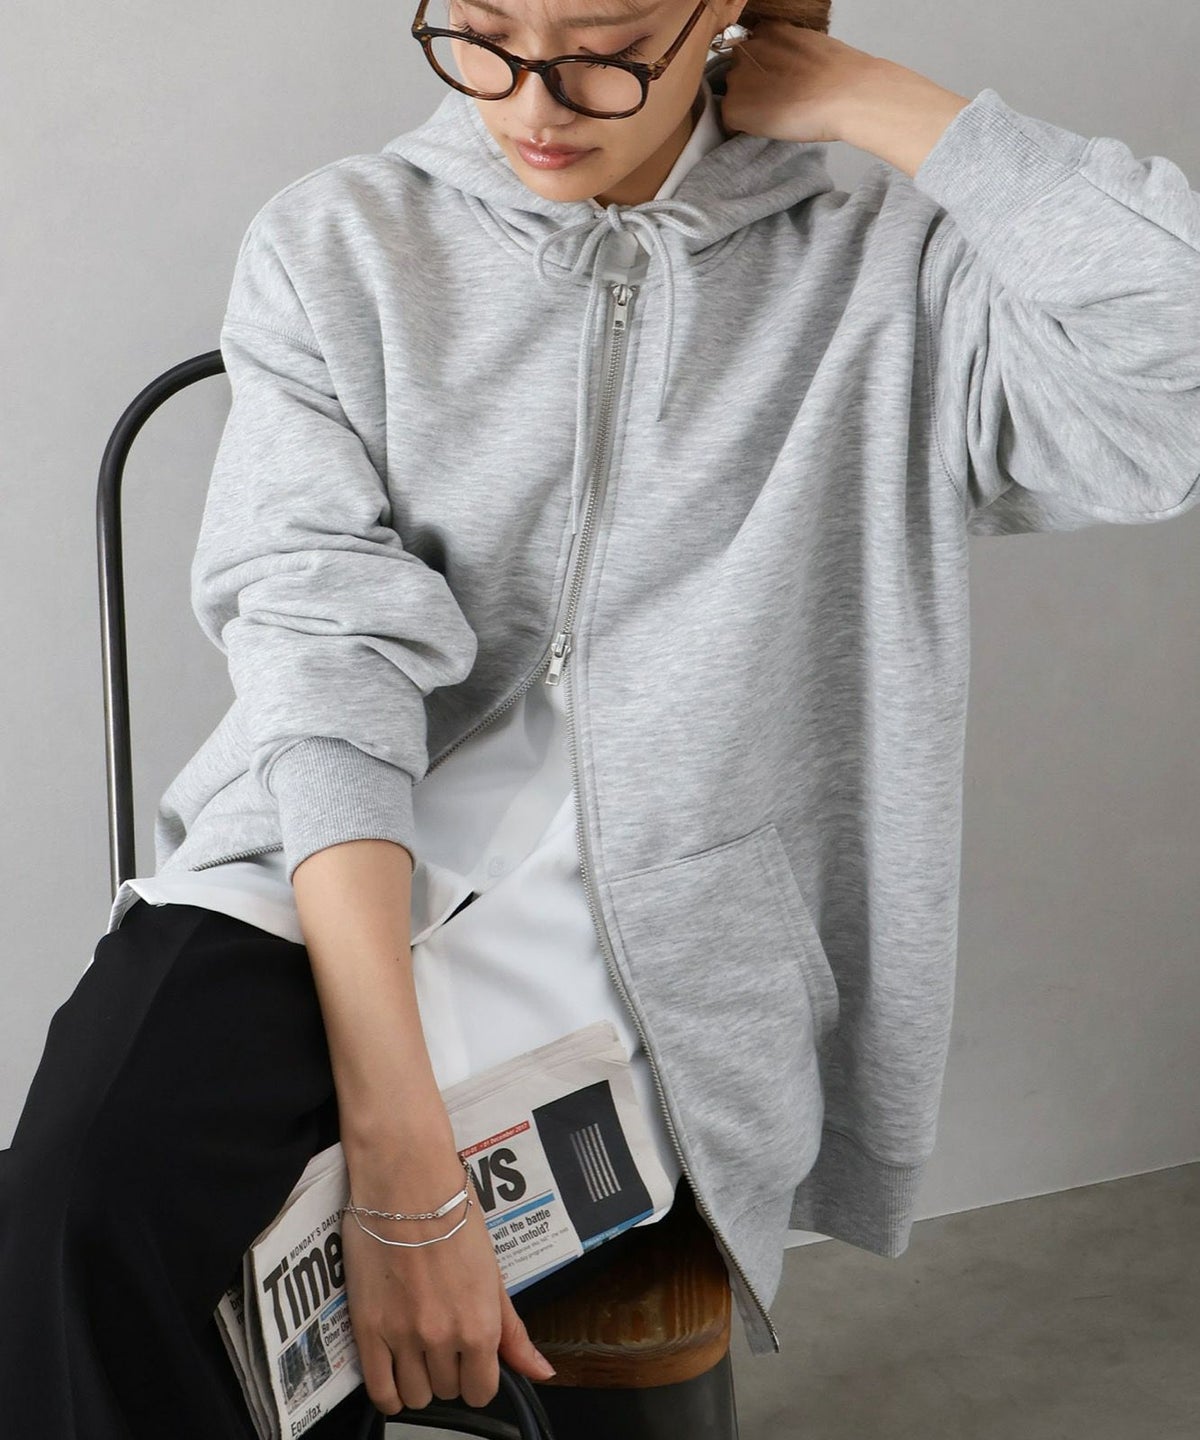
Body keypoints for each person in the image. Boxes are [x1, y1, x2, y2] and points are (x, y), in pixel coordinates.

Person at [4, 0, 1199, 1435]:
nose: (534, 102)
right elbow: (325, 664)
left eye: (609, 49)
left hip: (673, 948)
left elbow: (1175, 351)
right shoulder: (343, 242)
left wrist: (868, 97)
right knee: (83, 1196)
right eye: (483, 33)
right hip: (328, 850)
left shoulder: (894, 278)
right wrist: (403, 1160)